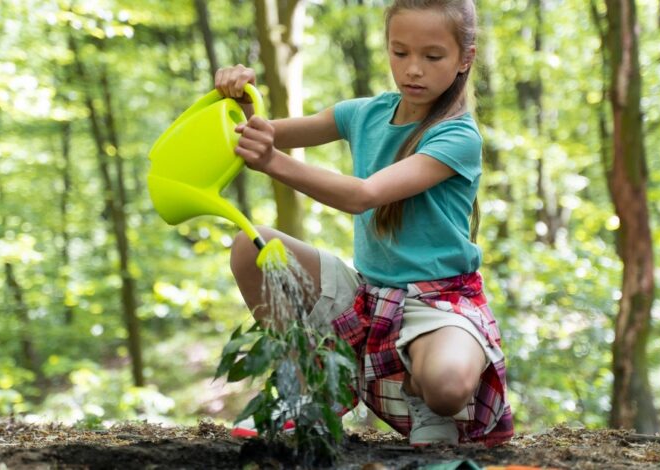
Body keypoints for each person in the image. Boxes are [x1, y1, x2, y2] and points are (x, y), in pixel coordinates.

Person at [218, 0, 513, 447]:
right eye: (400, 52)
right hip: (367, 296)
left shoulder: (457, 135)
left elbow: (364, 196)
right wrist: (239, 103)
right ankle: (314, 383)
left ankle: (419, 390)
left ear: (464, 59)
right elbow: (259, 132)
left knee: (448, 388)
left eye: (432, 56)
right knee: (249, 246)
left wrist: (272, 162)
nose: (413, 69)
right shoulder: (364, 113)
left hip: (438, 303)